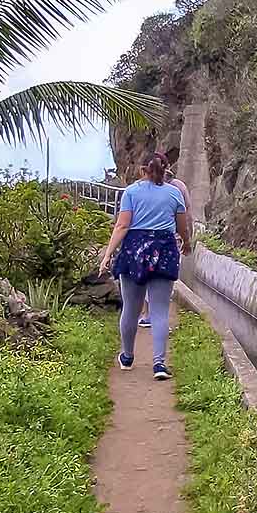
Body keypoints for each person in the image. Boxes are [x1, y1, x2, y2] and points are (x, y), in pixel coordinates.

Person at [99, 151, 193, 380]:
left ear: (142, 170)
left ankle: (127, 356)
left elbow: (122, 226)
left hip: (134, 251)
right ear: (165, 170)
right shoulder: (174, 194)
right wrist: (187, 243)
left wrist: (107, 255)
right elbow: (182, 227)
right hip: (164, 252)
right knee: (160, 310)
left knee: (131, 308)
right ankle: (159, 364)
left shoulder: (131, 192)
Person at [138, 162, 191, 328]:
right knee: (164, 282)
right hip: (170, 243)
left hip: (152, 242)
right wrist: (187, 239)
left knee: (149, 279)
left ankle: (149, 316)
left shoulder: (145, 190)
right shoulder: (177, 189)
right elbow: (186, 215)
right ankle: (158, 319)